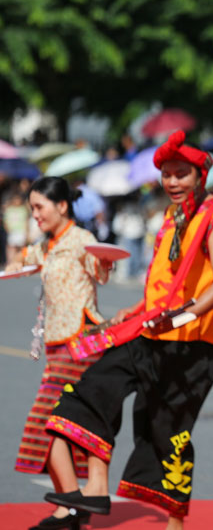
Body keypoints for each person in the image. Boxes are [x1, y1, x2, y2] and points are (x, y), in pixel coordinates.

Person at [42, 131, 213, 530]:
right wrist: (131, 310)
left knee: (167, 432)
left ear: (200, 176)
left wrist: (181, 316)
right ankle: (92, 490)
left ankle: (175, 520)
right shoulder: (171, 215)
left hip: (192, 346)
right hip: (148, 332)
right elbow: (162, 281)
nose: (172, 182)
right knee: (93, 389)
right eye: (166, 174)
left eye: (181, 174)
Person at [7, 178, 112, 530]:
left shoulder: (82, 240)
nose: (35, 214)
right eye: (32, 208)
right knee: (58, 427)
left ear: (62, 206)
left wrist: (107, 264)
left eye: (40, 207)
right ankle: (70, 506)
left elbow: (102, 271)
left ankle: (69, 505)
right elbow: (22, 261)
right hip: (56, 344)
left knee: (45, 423)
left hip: (79, 343)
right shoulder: (47, 245)